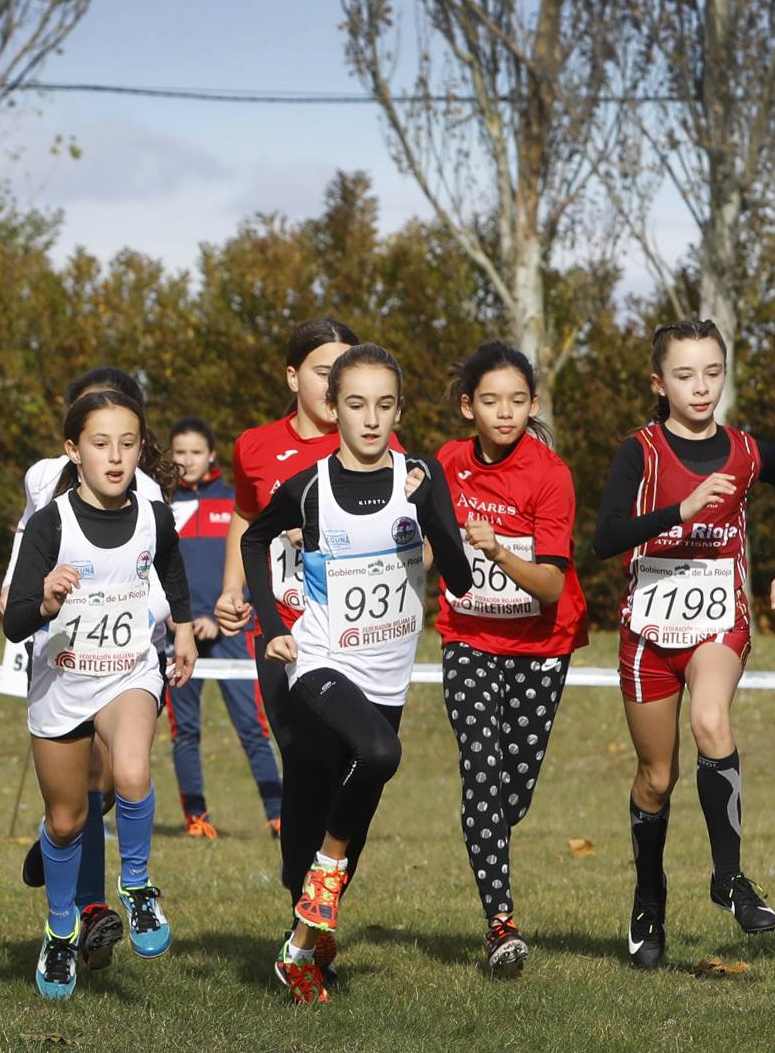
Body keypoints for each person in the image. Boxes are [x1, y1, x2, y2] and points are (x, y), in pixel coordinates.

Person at [227, 344, 473, 1003]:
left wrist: (428, 514)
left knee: (357, 807)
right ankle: (320, 880)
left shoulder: (419, 476)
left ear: (398, 409)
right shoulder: (308, 487)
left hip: (387, 674)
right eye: (356, 405)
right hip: (322, 659)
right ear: (332, 408)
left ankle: (300, 948)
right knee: (378, 752)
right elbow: (253, 538)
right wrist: (274, 629)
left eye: (384, 405)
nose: (371, 420)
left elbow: (460, 576)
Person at [588, 320, 775, 972]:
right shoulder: (640, 453)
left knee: (712, 718)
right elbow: (602, 539)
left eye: (712, 371)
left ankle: (729, 879)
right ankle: (648, 896)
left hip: (718, 621)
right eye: (684, 375)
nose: (700, 386)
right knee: (656, 779)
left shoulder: (744, 450)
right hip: (647, 631)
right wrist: (678, 513)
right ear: (658, 383)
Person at [1, 389, 195, 998]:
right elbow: (14, 622)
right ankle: (61, 933)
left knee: (132, 773)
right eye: (100, 443)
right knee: (66, 822)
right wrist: (47, 600)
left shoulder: (154, 516)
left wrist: (182, 632)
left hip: (127, 672)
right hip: (62, 682)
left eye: (128, 443)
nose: (115, 457)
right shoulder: (49, 523)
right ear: (73, 451)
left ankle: (136, 889)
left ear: (142, 449)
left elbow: (173, 571)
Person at [432, 342, 585, 979]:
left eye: (517, 401)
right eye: (490, 401)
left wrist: (495, 552)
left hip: (541, 646)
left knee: (508, 800)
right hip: (466, 640)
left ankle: (489, 836)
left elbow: (549, 587)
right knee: (480, 771)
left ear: (534, 404)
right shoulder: (445, 462)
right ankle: (502, 927)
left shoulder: (550, 474)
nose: (504, 413)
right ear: (468, 406)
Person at [164, 418, 282, 841]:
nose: (187, 460)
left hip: (231, 630)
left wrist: (221, 615)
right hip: (178, 634)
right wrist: (180, 621)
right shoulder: (161, 504)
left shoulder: (235, 502)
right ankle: (196, 818)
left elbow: (254, 560)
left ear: (211, 455)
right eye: (179, 452)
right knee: (185, 730)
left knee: (253, 726)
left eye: (195, 452)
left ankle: (278, 815)